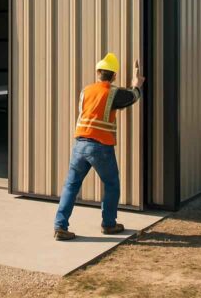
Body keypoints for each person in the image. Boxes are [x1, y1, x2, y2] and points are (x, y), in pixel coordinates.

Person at [53, 53, 145, 241]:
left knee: (71, 185)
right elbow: (132, 96)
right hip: (100, 146)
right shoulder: (113, 92)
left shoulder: (86, 91)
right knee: (111, 184)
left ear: (98, 73)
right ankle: (109, 224)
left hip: (79, 143)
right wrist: (137, 82)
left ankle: (60, 227)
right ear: (114, 76)